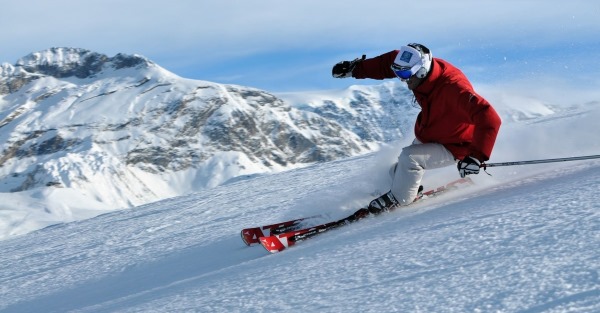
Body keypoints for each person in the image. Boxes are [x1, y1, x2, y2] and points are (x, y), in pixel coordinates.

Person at [332, 43, 501, 216]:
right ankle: (404, 188)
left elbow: (489, 117)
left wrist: (475, 157)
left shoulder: (454, 89)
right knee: (398, 170)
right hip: (433, 132)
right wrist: (355, 69)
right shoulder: (418, 70)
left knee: (410, 158)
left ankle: (401, 199)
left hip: (456, 144)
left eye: (404, 74)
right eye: (398, 73)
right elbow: (385, 64)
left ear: (421, 71)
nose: (402, 79)